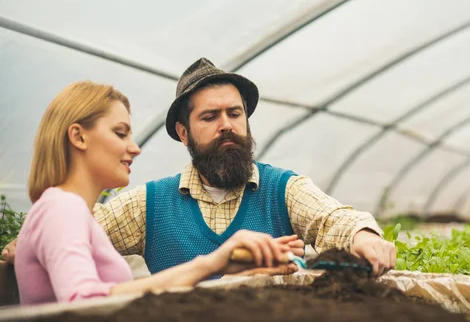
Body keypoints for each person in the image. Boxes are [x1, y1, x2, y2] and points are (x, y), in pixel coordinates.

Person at [4, 58, 395, 276]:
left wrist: (362, 236)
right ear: (183, 132)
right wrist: (27, 244)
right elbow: (80, 234)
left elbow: (332, 219)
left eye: (235, 113)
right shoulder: (150, 204)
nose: (227, 124)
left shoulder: (283, 189)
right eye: (210, 117)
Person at [15, 82, 293, 305]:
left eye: (235, 113)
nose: (135, 148)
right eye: (120, 133)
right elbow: (84, 302)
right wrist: (212, 262)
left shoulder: (75, 213)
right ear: (79, 137)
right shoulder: (62, 209)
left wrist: (227, 276)